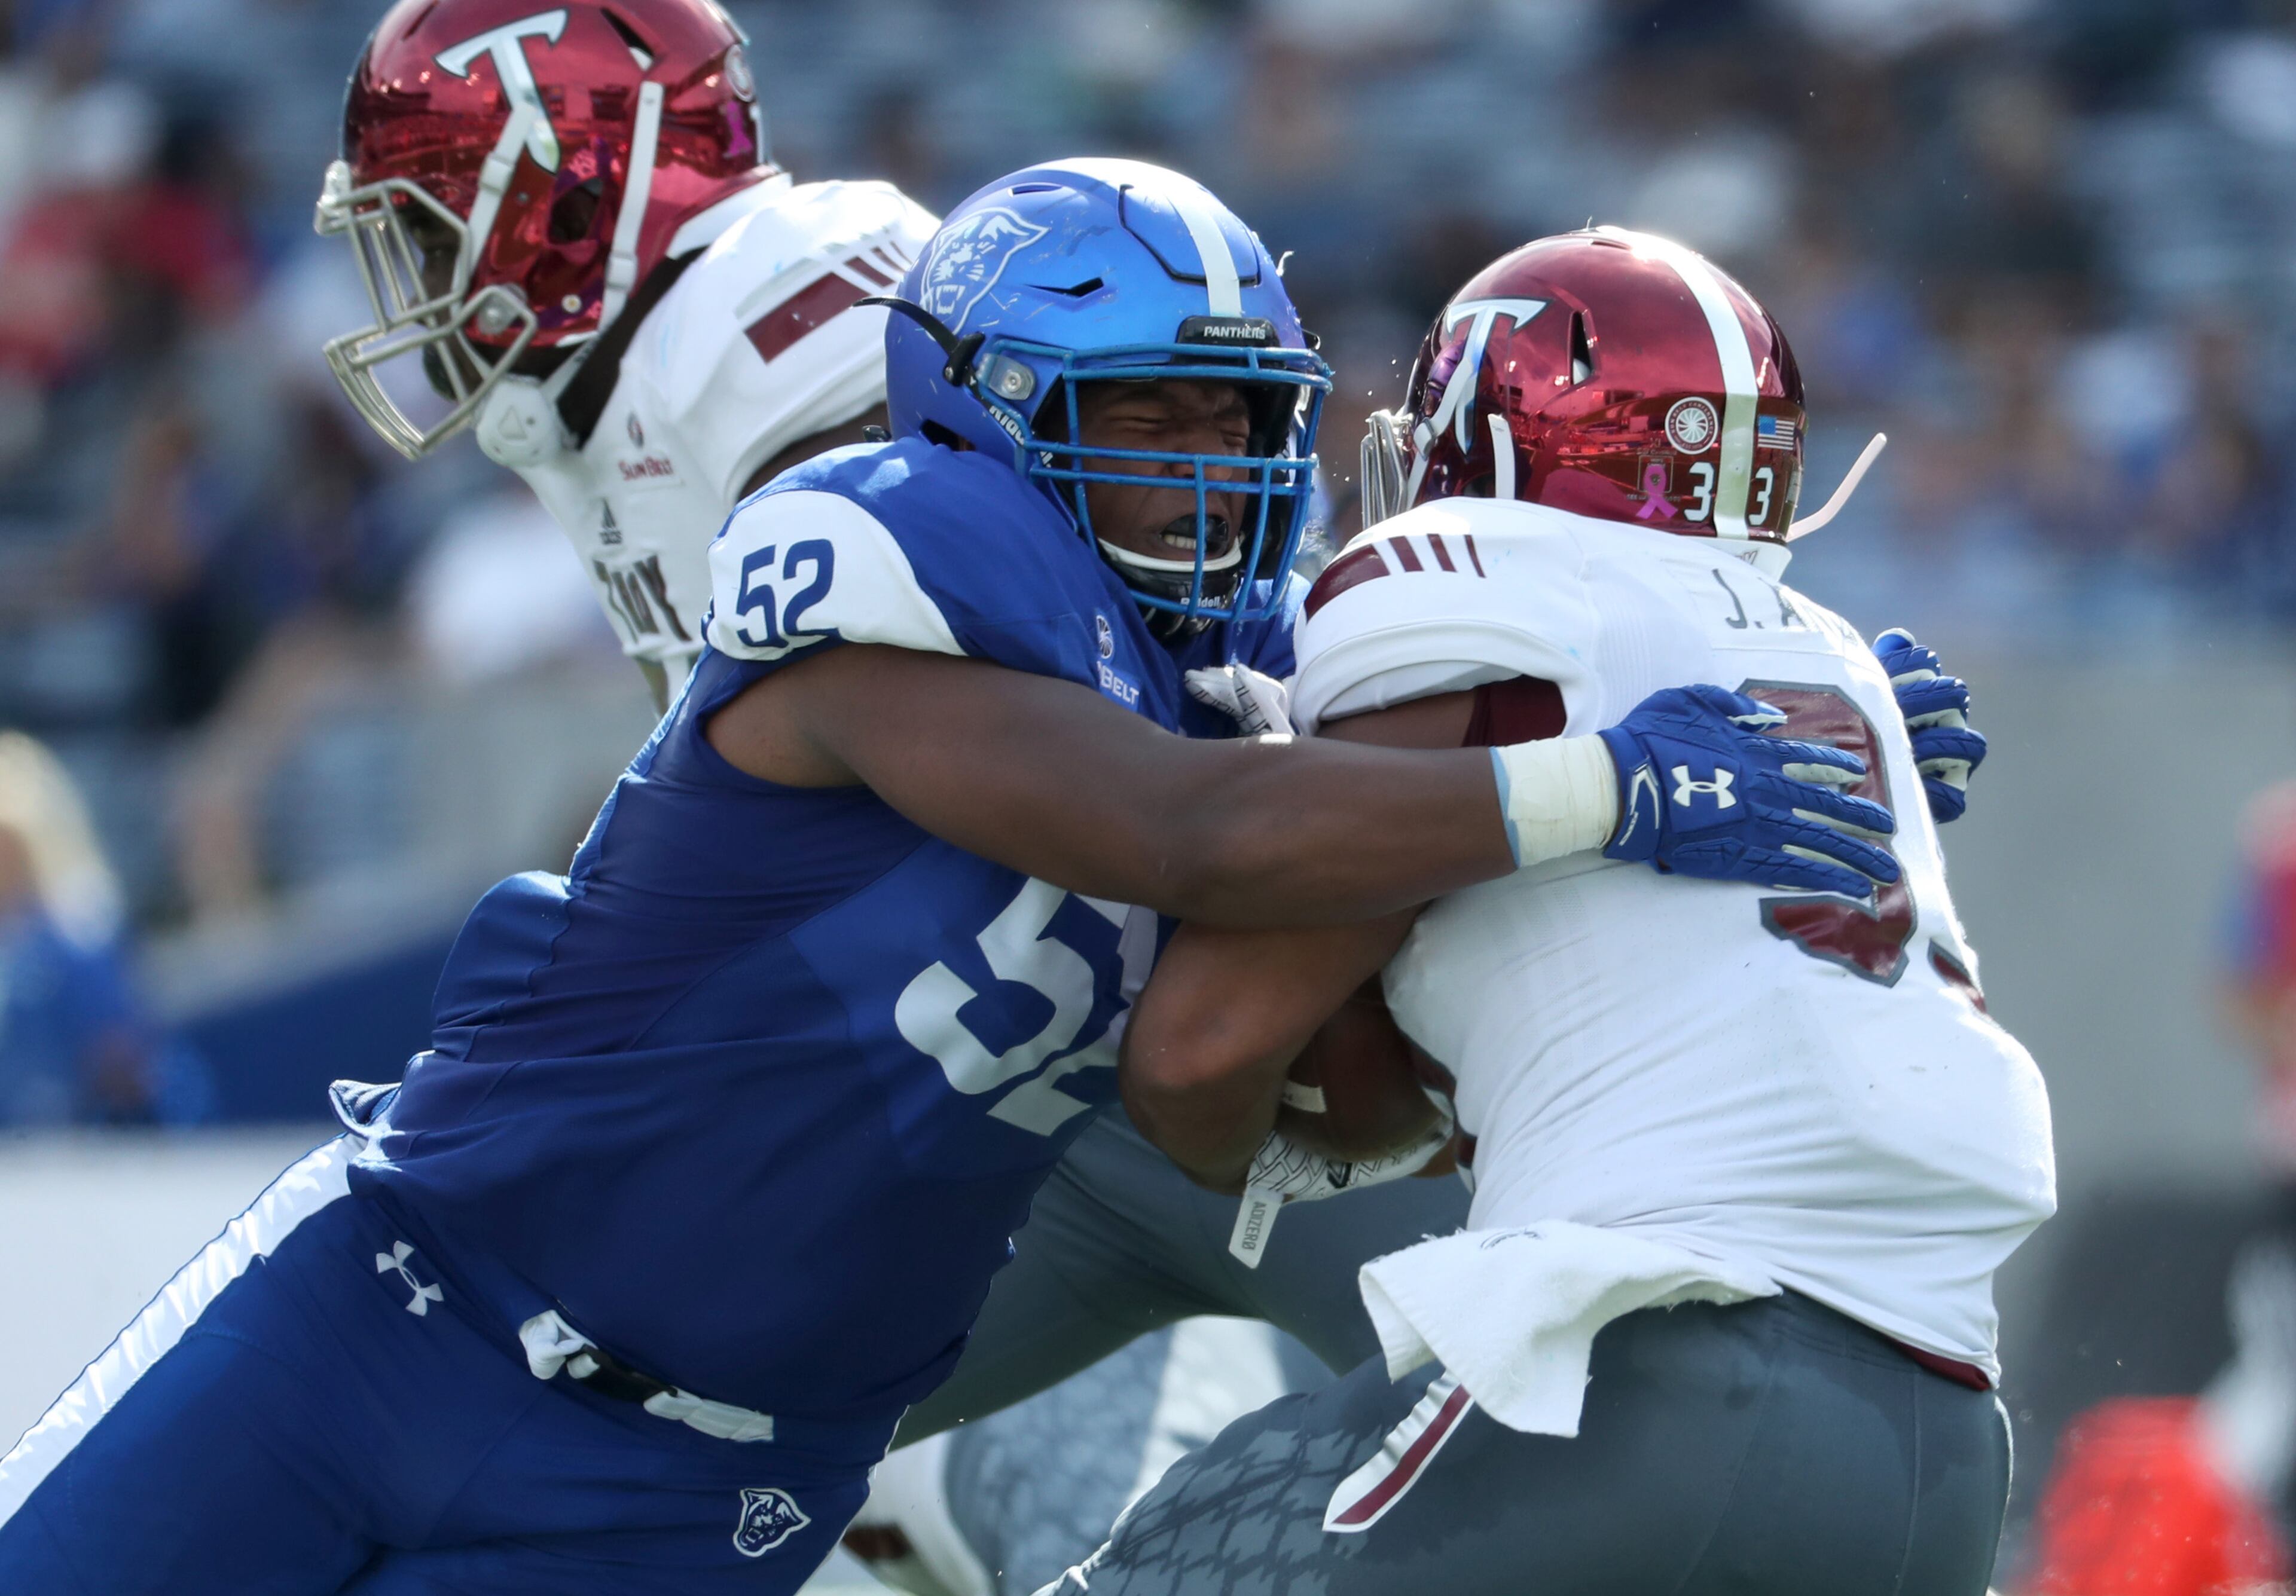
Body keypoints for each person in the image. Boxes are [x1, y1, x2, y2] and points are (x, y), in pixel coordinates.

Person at [0, 167, 1904, 1595]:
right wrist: (1624, 773)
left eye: (1236, 415)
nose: (1200, 467)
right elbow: (1186, 837)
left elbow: (1337, 1028)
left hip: (712, 1485)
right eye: (1140, 409)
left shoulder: (1253, 715)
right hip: (401, 1315)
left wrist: (1771, 698)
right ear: (973, 404)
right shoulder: (897, 550)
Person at [1044, 227, 2055, 1596]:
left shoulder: (1480, 589)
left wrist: (1247, 1152)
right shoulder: (1828, 662)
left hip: (1655, 1384)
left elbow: (1200, 1049)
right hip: (1939, 1461)